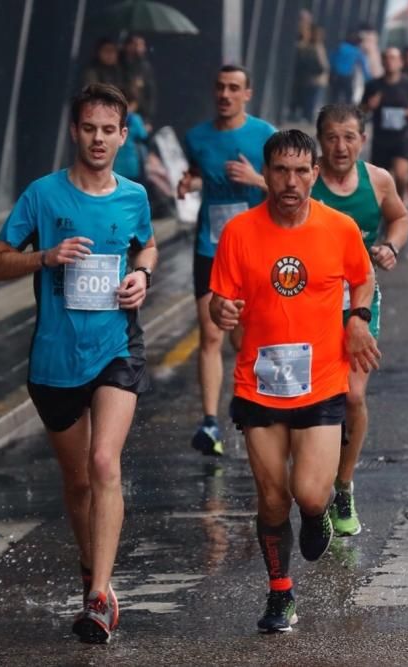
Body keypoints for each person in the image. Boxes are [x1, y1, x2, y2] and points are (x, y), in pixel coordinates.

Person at [0, 83, 158, 643]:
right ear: (74, 131)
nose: (99, 138)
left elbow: (147, 245)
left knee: (105, 463)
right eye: (90, 128)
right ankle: (92, 570)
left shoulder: (133, 195)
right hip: (56, 359)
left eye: (109, 130)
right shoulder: (42, 195)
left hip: (116, 347)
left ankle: (99, 599)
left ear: (123, 136)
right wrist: (45, 256)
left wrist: (142, 276)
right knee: (78, 478)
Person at [208, 129, 380, 632]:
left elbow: (362, 275)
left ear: (316, 173)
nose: (291, 181)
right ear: (267, 174)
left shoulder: (339, 227)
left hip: (322, 380)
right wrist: (222, 310)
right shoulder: (239, 232)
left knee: (307, 493)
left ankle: (318, 513)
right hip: (258, 385)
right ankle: (280, 594)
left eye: (302, 171)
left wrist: (357, 317)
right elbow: (222, 300)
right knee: (271, 498)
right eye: (280, 170)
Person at [311, 104, 408, 535]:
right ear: (320, 141)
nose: (340, 146)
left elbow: (400, 217)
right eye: (332, 137)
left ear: (362, 140)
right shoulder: (306, 180)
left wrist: (391, 246)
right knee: (315, 400)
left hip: (360, 298)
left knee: (351, 396)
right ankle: (313, 486)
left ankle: (344, 485)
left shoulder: (378, 180)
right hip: (311, 302)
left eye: (349, 137)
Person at [178, 65, 277, 457]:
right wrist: (189, 183)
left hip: (253, 247)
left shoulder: (264, 135)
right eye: (220, 87)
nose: (225, 94)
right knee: (211, 333)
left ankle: (253, 402)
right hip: (211, 247)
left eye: (234, 88)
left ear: (247, 94)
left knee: (245, 337)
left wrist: (256, 179)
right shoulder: (196, 137)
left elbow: (290, 187)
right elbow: (199, 174)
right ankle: (209, 423)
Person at [362, 48, 408, 199]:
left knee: (401, 176)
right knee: (379, 181)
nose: (390, 61)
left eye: (393, 58)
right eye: (387, 58)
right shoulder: (373, 85)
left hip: (402, 137)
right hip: (381, 139)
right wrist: (369, 106)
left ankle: (399, 203)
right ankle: (384, 211)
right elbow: (360, 110)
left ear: (400, 62)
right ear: (382, 62)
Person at [293, 25, 330, 122]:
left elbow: (322, 64)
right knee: (310, 99)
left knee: (311, 99)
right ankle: (308, 116)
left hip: (315, 78)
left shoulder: (315, 47)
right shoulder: (315, 47)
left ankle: (308, 116)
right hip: (314, 78)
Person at [113, 89, 148, 183]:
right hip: (131, 164)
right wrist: (146, 129)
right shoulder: (135, 119)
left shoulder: (114, 117)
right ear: (132, 104)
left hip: (116, 164)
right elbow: (143, 135)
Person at [120, 34, 157, 123]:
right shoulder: (118, 64)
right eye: (135, 44)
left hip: (139, 116)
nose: (139, 48)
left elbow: (150, 94)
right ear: (127, 46)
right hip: (119, 112)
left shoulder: (145, 67)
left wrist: (148, 120)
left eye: (141, 45)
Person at [329, 32, 371, 105]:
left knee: (334, 96)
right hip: (347, 76)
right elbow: (363, 66)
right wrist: (368, 79)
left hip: (336, 75)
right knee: (348, 96)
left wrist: (332, 70)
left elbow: (331, 58)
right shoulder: (357, 51)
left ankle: (332, 111)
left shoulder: (341, 47)